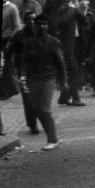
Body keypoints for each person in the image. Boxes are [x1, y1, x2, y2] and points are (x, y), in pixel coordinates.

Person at [17, 15, 67, 151]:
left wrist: (63, 81)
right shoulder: (30, 43)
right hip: (34, 79)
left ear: (48, 26)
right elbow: (24, 61)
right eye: (38, 24)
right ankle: (53, 136)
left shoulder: (53, 42)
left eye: (44, 24)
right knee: (37, 109)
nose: (41, 26)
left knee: (44, 109)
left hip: (48, 79)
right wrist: (22, 76)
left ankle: (52, 140)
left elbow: (61, 63)